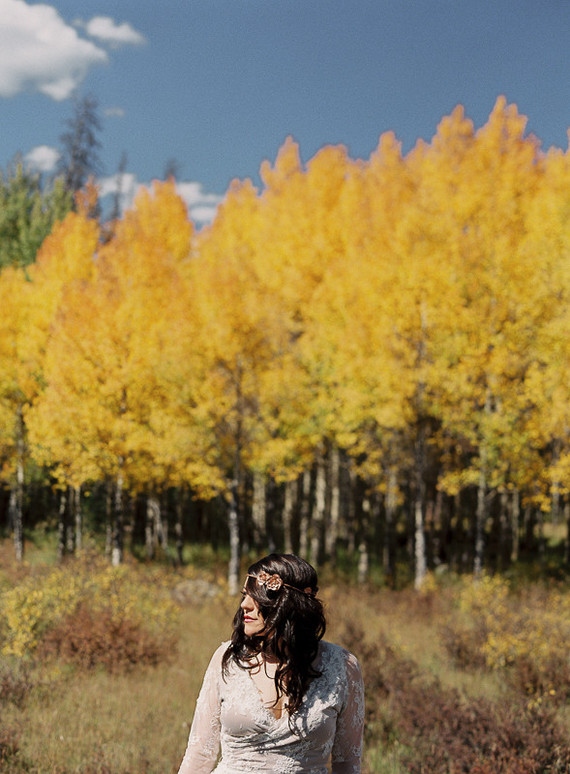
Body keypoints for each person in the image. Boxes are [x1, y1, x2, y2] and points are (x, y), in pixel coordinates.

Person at [177, 553, 365, 774]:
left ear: (288, 605)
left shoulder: (342, 666)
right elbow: (199, 754)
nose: (244, 605)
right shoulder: (227, 658)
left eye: (256, 598)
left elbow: (347, 763)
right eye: (244, 595)